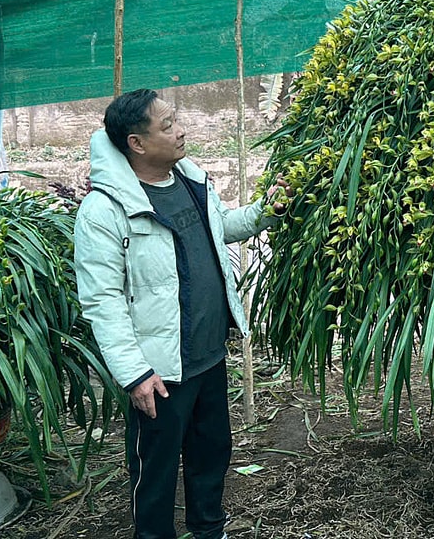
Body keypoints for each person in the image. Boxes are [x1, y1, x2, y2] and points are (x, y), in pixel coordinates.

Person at [73, 88, 290, 539]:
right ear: (137, 143)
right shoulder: (104, 211)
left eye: (176, 120)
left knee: (211, 453)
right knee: (155, 471)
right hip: (160, 372)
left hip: (208, 355)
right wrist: (134, 373)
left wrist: (266, 211)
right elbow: (102, 301)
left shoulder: (190, 181)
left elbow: (221, 226)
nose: (181, 131)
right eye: (167, 125)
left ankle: (209, 530)